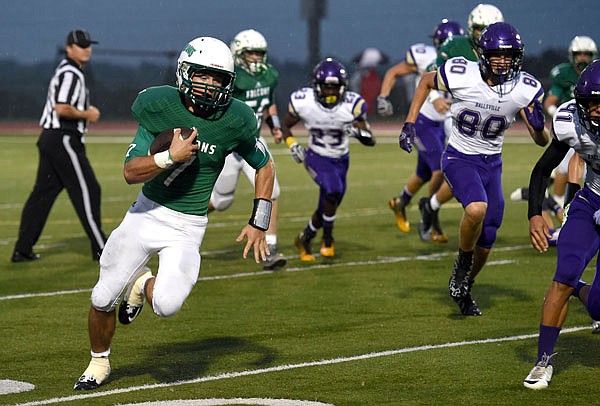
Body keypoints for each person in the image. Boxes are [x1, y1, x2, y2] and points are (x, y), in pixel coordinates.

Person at [73, 36, 275, 390]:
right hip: (145, 214)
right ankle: (98, 362)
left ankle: (141, 285)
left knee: (166, 305)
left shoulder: (237, 118)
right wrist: (169, 157)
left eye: (218, 79)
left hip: (188, 226)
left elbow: (264, 165)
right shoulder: (159, 104)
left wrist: (259, 219)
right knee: (102, 296)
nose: (210, 85)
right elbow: (130, 172)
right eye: (202, 75)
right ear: (185, 74)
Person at [398, 22, 549, 316]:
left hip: (492, 163)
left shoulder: (523, 88)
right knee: (477, 209)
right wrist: (410, 122)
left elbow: (540, 141)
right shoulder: (461, 73)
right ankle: (462, 263)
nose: (503, 62)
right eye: (497, 55)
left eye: (509, 56)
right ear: (482, 54)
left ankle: (466, 284)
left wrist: (541, 128)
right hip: (459, 157)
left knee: (490, 233)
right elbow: (426, 81)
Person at [523, 59, 600, 390]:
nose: (596, 112)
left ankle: (584, 291)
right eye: (591, 104)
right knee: (563, 275)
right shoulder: (571, 121)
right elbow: (542, 169)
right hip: (591, 200)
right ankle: (543, 361)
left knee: (598, 305)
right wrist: (535, 213)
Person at [12, 29, 106, 262]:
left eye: (88, 45)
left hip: (51, 139)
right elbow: (62, 107)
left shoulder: (69, 71)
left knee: (42, 196)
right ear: (69, 48)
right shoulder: (71, 73)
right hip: (63, 138)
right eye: (80, 46)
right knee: (88, 190)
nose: (86, 49)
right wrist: (88, 114)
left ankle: (22, 249)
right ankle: (102, 249)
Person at [416, 3, 504, 243]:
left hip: (489, 120)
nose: (484, 33)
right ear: (470, 29)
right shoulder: (457, 46)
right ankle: (434, 207)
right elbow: (429, 73)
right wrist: (434, 98)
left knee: (471, 177)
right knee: (467, 171)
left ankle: (431, 205)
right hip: (459, 117)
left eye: (489, 28)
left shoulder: (503, 51)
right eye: (479, 28)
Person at [377, 19, 464, 241]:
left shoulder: (467, 58)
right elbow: (394, 72)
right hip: (424, 121)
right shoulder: (425, 56)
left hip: (446, 123)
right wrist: (383, 96)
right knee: (438, 170)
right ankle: (432, 219)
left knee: (423, 173)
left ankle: (400, 202)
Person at [282, 58, 375, 261]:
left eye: (335, 88)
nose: (331, 92)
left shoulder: (352, 105)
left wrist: (358, 134)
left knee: (328, 203)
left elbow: (371, 140)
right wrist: (293, 145)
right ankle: (328, 239)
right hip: (316, 157)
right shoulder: (303, 102)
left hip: (341, 160)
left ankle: (305, 237)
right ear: (317, 87)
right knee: (332, 191)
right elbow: (286, 125)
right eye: (327, 88)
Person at [207, 29, 286, 271]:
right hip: (231, 147)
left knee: (271, 191)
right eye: (251, 53)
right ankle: (181, 218)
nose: (256, 58)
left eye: (260, 53)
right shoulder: (233, 79)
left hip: (253, 143)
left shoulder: (270, 75)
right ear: (239, 54)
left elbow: (268, 101)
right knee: (220, 202)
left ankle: (270, 247)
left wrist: (275, 126)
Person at [511, 35, 597, 208]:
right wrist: (565, 119)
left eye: (587, 54)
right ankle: (558, 205)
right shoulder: (564, 74)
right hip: (578, 126)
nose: (582, 58)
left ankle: (547, 200)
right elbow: (549, 102)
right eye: (579, 54)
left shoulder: (597, 74)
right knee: (566, 167)